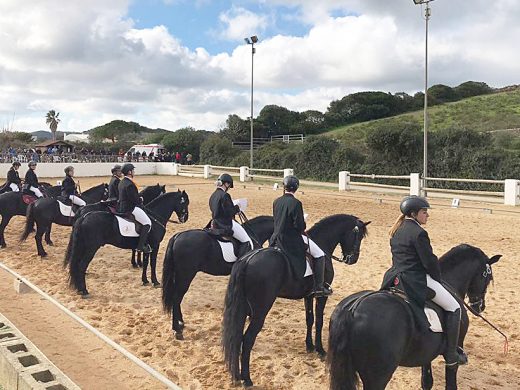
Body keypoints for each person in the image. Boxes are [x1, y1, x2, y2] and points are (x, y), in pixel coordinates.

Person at [381, 196, 467, 366]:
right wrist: (437, 277)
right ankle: (451, 354)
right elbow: (428, 262)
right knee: (455, 307)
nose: (427, 215)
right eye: (424, 212)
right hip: (415, 278)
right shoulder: (419, 233)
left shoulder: (397, 230)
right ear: (414, 214)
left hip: (395, 276)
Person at [269, 175, 332, 297]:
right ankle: (318, 287)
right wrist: (303, 223)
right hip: (291, 239)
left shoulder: (276, 201)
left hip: (276, 238)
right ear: (296, 188)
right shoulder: (296, 203)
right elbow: (299, 226)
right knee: (319, 254)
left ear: (284, 187)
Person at [209, 173, 253, 257]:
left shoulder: (213, 195)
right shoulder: (225, 195)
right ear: (226, 184)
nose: (229, 188)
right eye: (229, 186)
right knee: (246, 241)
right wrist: (237, 207)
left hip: (214, 223)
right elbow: (230, 212)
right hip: (225, 224)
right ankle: (241, 262)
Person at [117, 163, 152, 254]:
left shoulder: (122, 181)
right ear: (129, 172)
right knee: (147, 223)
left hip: (121, 206)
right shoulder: (130, 184)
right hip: (129, 208)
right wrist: (140, 199)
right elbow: (134, 200)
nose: (134, 172)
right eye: (133, 170)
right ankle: (140, 247)